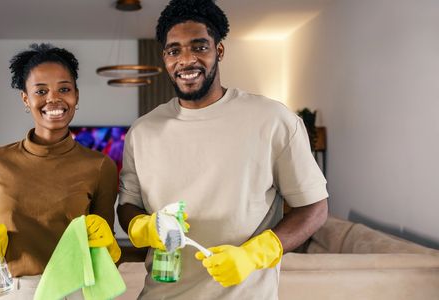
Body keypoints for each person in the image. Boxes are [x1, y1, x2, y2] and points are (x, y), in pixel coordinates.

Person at [117, 0, 329, 299]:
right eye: (174, 50)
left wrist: (254, 254)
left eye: (199, 47)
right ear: (164, 58)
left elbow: (315, 208)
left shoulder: (272, 120)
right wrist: (143, 227)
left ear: (219, 50)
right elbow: (128, 204)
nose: (186, 60)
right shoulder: (142, 131)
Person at [0, 43, 121, 298]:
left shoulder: (100, 165)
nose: (54, 98)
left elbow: (106, 250)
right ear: (26, 99)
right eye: (41, 91)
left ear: (76, 96)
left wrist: (109, 246)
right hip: (15, 292)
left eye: (64, 89)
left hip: (76, 290)